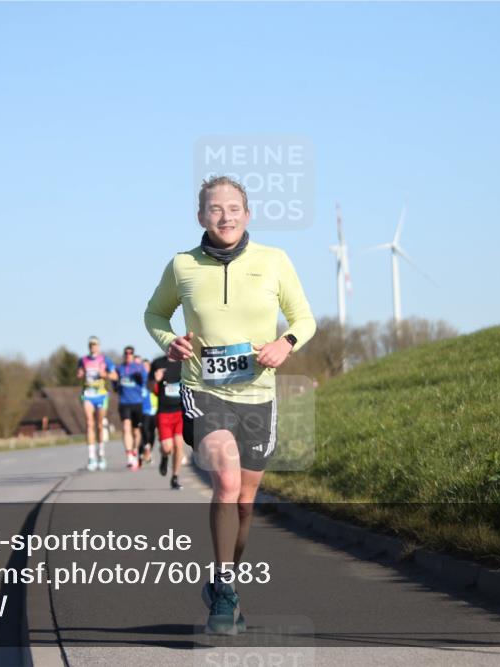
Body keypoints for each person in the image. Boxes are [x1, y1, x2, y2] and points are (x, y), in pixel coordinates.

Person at [145, 175, 316, 635]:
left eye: (233, 208)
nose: (225, 217)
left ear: (248, 213)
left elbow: (304, 318)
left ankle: (227, 583)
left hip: (258, 394)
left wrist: (286, 343)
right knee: (225, 479)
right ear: (200, 216)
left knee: (244, 501)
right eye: (215, 209)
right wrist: (169, 341)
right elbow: (154, 313)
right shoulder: (183, 265)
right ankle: (223, 590)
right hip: (204, 389)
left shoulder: (274, 260)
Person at [76, 336, 117, 471]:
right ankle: (91, 457)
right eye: (90, 344)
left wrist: (105, 374)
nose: (92, 347)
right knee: (89, 424)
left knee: (99, 425)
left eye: (95, 344)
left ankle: (101, 455)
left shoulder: (105, 359)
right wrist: (80, 374)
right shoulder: (83, 360)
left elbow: (115, 376)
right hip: (88, 395)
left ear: (98, 346)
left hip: (101, 395)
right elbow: (79, 374)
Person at [150, 354, 184, 490]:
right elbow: (149, 387)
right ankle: (164, 457)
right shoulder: (157, 363)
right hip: (164, 412)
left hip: (180, 411)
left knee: (178, 445)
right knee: (167, 448)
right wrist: (155, 380)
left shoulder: (184, 364)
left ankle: (175, 477)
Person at [115, 346, 147, 471]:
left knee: (136, 431)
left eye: (130, 353)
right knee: (126, 427)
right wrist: (116, 386)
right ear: (124, 355)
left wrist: (140, 377)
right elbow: (115, 384)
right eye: (126, 353)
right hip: (124, 402)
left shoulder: (139, 367)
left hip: (137, 402)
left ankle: (134, 450)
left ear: (133, 355)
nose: (128, 355)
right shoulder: (119, 368)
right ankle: (129, 455)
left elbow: (145, 382)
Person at [139, 356, 158, 466]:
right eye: (143, 366)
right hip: (144, 410)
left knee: (152, 432)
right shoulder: (140, 379)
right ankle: (146, 449)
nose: (145, 368)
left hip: (155, 409)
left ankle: (148, 450)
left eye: (147, 366)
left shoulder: (154, 378)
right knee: (144, 430)